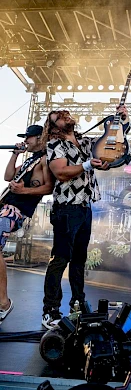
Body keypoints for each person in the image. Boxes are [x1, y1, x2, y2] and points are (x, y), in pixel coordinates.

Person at [41, 107, 130, 329]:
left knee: (79, 259)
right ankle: (50, 310)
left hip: (84, 206)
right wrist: (89, 164)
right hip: (66, 208)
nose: (65, 118)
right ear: (53, 127)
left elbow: (110, 148)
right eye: (58, 118)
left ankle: (77, 302)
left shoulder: (85, 141)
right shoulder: (54, 145)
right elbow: (61, 172)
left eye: (65, 114)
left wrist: (122, 120)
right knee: (60, 259)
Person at [0, 125, 54, 323]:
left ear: (40, 138)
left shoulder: (45, 159)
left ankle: (4, 303)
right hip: (6, 205)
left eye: (29, 138)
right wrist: (15, 155)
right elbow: (7, 176)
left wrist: (22, 192)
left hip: (17, 210)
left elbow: (48, 187)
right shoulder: (29, 160)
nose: (27, 141)